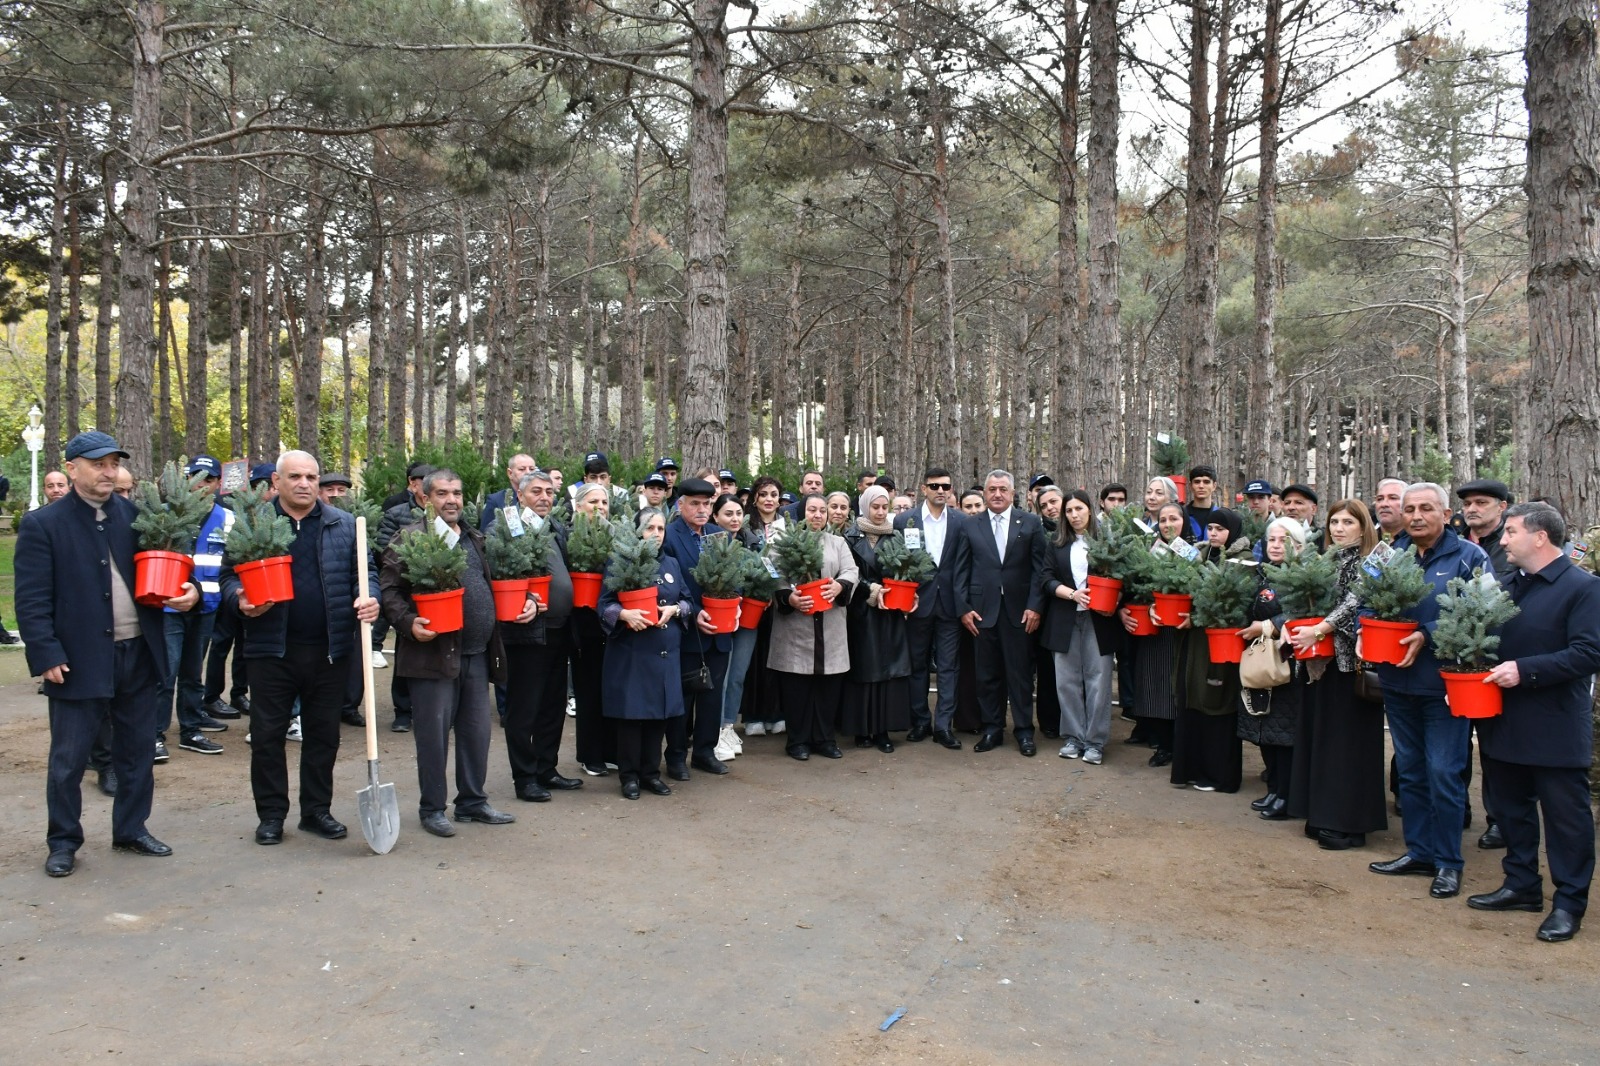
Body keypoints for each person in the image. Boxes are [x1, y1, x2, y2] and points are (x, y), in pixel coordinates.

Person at [17, 430, 200, 877]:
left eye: (113, 463)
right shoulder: (44, 524)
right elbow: (32, 598)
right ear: (73, 467)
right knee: (69, 759)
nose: (108, 471)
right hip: (77, 659)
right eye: (98, 463)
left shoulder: (135, 517)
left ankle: (131, 829)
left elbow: (169, 570)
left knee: (137, 751)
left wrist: (189, 593)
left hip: (138, 653)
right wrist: (45, 653)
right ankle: (63, 841)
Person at [219, 450, 378, 846]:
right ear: (277, 482)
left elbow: (367, 572)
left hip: (330, 650)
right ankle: (272, 815)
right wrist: (239, 597)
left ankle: (316, 811)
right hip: (271, 650)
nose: (304, 484)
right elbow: (226, 576)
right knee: (268, 735)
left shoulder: (342, 525)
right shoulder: (254, 523)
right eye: (295, 477)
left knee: (324, 735)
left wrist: (369, 596)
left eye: (311, 477)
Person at [1471, 503, 1600, 942]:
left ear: (1540, 536)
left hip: (1555, 725)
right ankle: (1521, 884)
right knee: (1510, 808)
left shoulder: (1584, 588)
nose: (1502, 540)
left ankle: (1569, 903)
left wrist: (1524, 670)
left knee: (1566, 820)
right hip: (1504, 721)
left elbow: (1588, 653)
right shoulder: (1508, 586)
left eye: (1510, 532)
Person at [380, 468, 526, 837]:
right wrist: (408, 621)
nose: (452, 501)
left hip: (477, 654)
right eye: (442, 493)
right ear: (425, 499)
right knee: (432, 736)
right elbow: (390, 591)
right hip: (432, 657)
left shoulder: (474, 539)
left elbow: (495, 583)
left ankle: (473, 802)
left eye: (457, 493)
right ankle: (432, 808)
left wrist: (531, 601)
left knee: (477, 732)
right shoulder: (410, 539)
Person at [1365, 483, 1489, 900]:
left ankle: (1449, 862)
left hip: (1443, 687)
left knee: (1443, 773)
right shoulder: (1390, 554)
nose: (1416, 516)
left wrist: (1427, 633)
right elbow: (1365, 598)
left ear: (1445, 512)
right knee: (1411, 772)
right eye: (1410, 509)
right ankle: (1418, 851)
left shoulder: (1470, 556)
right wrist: (1366, 630)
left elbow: (1485, 615)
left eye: (1425, 508)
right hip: (1397, 684)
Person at [1286, 500, 1388, 849]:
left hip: (1352, 665)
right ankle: (1323, 813)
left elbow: (1358, 600)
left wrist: (1322, 628)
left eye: (1348, 521)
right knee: (1324, 741)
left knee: (1349, 745)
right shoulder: (1327, 558)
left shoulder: (1373, 560)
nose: (1339, 528)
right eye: (1334, 522)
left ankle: (1350, 823)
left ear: (1364, 526)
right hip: (1320, 663)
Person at [500, 470, 584, 801]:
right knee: (525, 707)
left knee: (553, 704)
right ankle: (524, 777)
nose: (544, 497)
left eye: (549, 492)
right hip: (528, 633)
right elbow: (500, 572)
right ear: (520, 495)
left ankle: (546, 769)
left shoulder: (555, 528)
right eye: (536, 491)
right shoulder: (507, 528)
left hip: (560, 630)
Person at [951, 469, 1048, 757]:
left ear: (1013, 493)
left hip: (1020, 613)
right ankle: (993, 728)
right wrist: (964, 609)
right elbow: (961, 571)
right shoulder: (970, 526)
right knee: (987, 675)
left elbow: (1039, 570)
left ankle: (1023, 731)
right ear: (984, 493)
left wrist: (1035, 606)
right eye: (992, 489)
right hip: (982, 614)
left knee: (1019, 675)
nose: (996, 494)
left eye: (1002, 489)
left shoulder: (1030, 523)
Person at [600, 509, 695, 798]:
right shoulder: (619, 561)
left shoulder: (672, 564)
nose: (656, 533)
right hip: (633, 652)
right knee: (632, 715)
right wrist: (624, 613)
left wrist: (675, 609)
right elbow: (604, 605)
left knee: (659, 715)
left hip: (665, 652)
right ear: (638, 531)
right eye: (650, 527)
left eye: (661, 528)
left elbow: (688, 601)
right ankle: (629, 776)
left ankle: (651, 773)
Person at [767, 493, 858, 760]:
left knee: (828, 687)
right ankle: (797, 741)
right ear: (801, 513)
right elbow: (774, 574)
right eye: (811, 510)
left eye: (821, 510)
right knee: (797, 687)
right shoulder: (784, 545)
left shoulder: (838, 543)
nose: (817, 515)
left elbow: (852, 571)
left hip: (830, 626)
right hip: (796, 626)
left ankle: (825, 739)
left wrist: (840, 585)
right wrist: (788, 597)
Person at [1168, 510, 1248, 792]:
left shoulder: (1244, 561)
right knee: (1192, 702)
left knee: (1217, 702)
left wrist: (1199, 616)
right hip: (1193, 644)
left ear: (1233, 532)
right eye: (1210, 528)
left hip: (1220, 643)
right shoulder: (1199, 556)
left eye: (1220, 529)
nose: (1213, 533)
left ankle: (1218, 774)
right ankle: (1191, 769)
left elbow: (1238, 604)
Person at [661, 477, 735, 778]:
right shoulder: (669, 536)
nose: (702, 509)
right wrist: (695, 613)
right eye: (695, 504)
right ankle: (676, 756)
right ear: (681, 505)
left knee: (712, 695)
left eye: (707, 504)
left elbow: (734, 574)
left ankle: (705, 751)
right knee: (684, 696)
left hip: (721, 630)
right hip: (687, 629)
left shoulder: (721, 535)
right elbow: (669, 585)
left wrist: (736, 602)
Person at [1236, 516, 1310, 819]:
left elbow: (1304, 612)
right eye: (1272, 540)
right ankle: (1275, 790)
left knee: (1285, 734)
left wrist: (1267, 626)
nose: (1276, 546)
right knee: (1264, 728)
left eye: (1284, 541)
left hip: (1286, 665)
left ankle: (1287, 795)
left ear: (1298, 545)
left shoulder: (1304, 575)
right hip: (1259, 663)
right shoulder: (1261, 574)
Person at [159, 455, 233, 759]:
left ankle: (190, 729)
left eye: (208, 479)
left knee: (192, 672)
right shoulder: (164, 514)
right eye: (194, 477)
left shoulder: (228, 519)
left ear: (217, 484)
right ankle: (154, 734)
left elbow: (233, 561)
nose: (200, 485)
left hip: (207, 607)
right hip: (168, 606)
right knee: (165, 672)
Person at [1041, 490, 1117, 765]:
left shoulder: (1106, 542)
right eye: (1069, 511)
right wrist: (1071, 594)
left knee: (1098, 681)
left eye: (1079, 509)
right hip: (1064, 619)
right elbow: (1046, 579)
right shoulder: (1057, 543)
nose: (1074, 515)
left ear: (1090, 510)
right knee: (1067, 682)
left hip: (1100, 621)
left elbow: (1121, 577)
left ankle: (1095, 742)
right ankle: (1073, 737)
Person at [896, 466, 967, 749]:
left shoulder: (962, 522)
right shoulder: (904, 521)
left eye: (945, 487)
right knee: (917, 666)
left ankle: (943, 726)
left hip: (950, 605)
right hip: (916, 605)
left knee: (949, 667)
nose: (941, 491)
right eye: (935, 486)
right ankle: (920, 721)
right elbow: (898, 562)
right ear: (923, 488)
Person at [842, 485, 912, 752]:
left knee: (887, 671)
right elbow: (846, 571)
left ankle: (882, 729)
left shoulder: (897, 536)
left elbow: (908, 566)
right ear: (865, 507)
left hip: (890, 612)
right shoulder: (849, 537)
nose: (881, 512)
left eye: (885, 507)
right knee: (864, 671)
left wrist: (905, 591)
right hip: (861, 611)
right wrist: (868, 591)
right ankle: (862, 729)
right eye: (876, 507)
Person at [1122, 502, 1188, 766]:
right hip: (1153, 628)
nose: (1168, 524)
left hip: (1181, 631)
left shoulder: (1191, 552)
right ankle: (1160, 742)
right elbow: (1135, 588)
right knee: (1153, 685)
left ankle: (1178, 743)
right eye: (1162, 520)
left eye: (1174, 518)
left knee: (1175, 688)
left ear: (1184, 522)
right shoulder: (1150, 552)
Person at [568, 483, 615, 776]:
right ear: (578, 505)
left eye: (604, 501)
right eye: (592, 501)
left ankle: (611, 749)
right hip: (581, 621)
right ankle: (590, 754)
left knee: (610, 687)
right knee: (588, 689)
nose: (599, 506)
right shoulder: (569, 535)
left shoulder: (615, 535)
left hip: (610, 621)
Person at [712, 493, 758, 761]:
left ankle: (729, 725)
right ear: (715, 516)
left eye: (738, 514)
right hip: (722, 617)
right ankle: (715, 730)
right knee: (723, 676)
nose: (734, 519)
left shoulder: (751, 542)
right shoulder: (710, 544)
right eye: (728, 514)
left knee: (738, 674)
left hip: (747, 617)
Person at [1457, 479, 1514, 578]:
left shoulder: (1513, 546)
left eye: (1481, 503)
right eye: (1467, 504)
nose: (1471, 510)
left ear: (1501, 506)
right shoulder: (1454, 545)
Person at [479, 452, 538, 532]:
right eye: (522, 469)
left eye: (532, 469)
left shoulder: (543, 499)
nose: (528, 472)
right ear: (510, 473)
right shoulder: (496, 500)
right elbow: (486, 535)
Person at [1184, 464, 1221, 531]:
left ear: (1214, 486)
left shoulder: (1222, 516)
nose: (1201, 486)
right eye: (1197, 482)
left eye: (1206, 482)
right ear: (1190, 486)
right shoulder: (1182, 515)